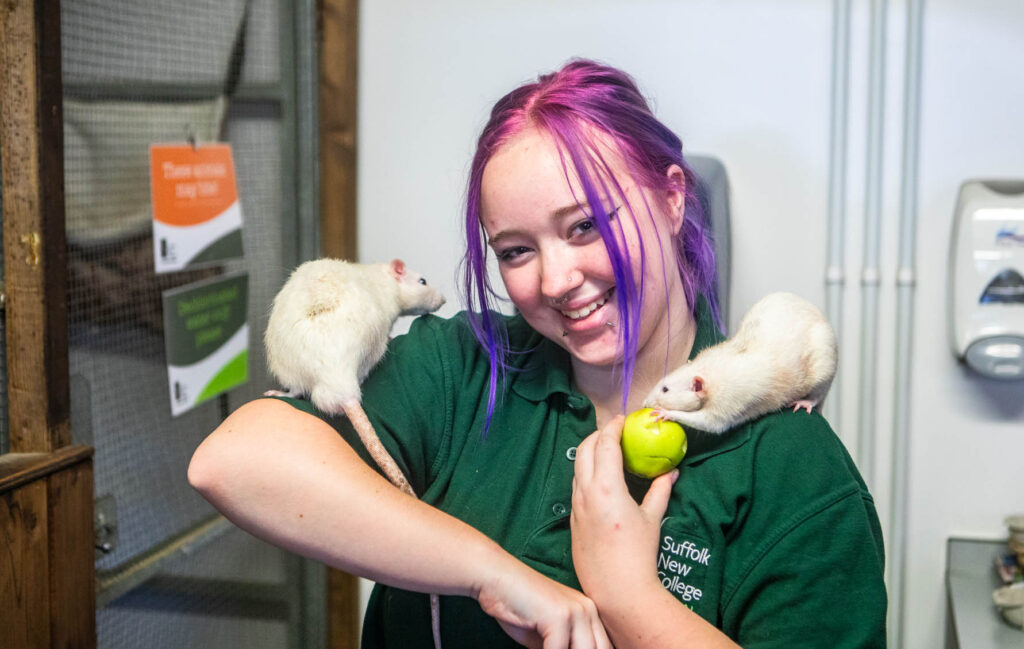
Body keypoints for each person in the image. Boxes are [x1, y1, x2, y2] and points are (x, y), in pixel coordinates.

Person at [188, 59, 887, 648]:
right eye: (516, 251)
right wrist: (492, 572)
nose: (554, 281)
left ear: (673, 199)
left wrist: (629, 597)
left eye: (585, 225)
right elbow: (234, 461)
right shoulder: (468, 368)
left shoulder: (792, 466)